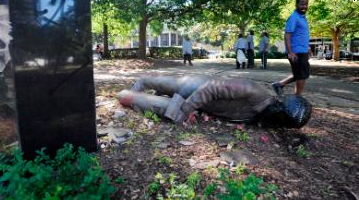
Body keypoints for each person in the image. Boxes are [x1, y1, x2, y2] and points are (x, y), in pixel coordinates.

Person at [118, 75, 312, 128]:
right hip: (194, 87)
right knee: (155, 83)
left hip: (201, 106)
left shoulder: (266, 114)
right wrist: (186, 109)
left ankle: (127, 95)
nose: (279, 127)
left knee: (152, 104)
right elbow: (212, 88)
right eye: (281, 122)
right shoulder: (254, 91)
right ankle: (136, 86)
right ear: (279, 107)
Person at [272, 0, 310, 96]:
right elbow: (287, 35)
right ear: (296, 4)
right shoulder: (294, 17)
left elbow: (302, 35)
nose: (304, 6)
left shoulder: (302, 18)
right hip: (296, 51)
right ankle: (297, 98)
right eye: (302, 4)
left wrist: (308, 48)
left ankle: (279, 85)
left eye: (306, 4)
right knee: (301, 76)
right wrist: (290, 52)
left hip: (303, 50)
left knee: (302, 74)